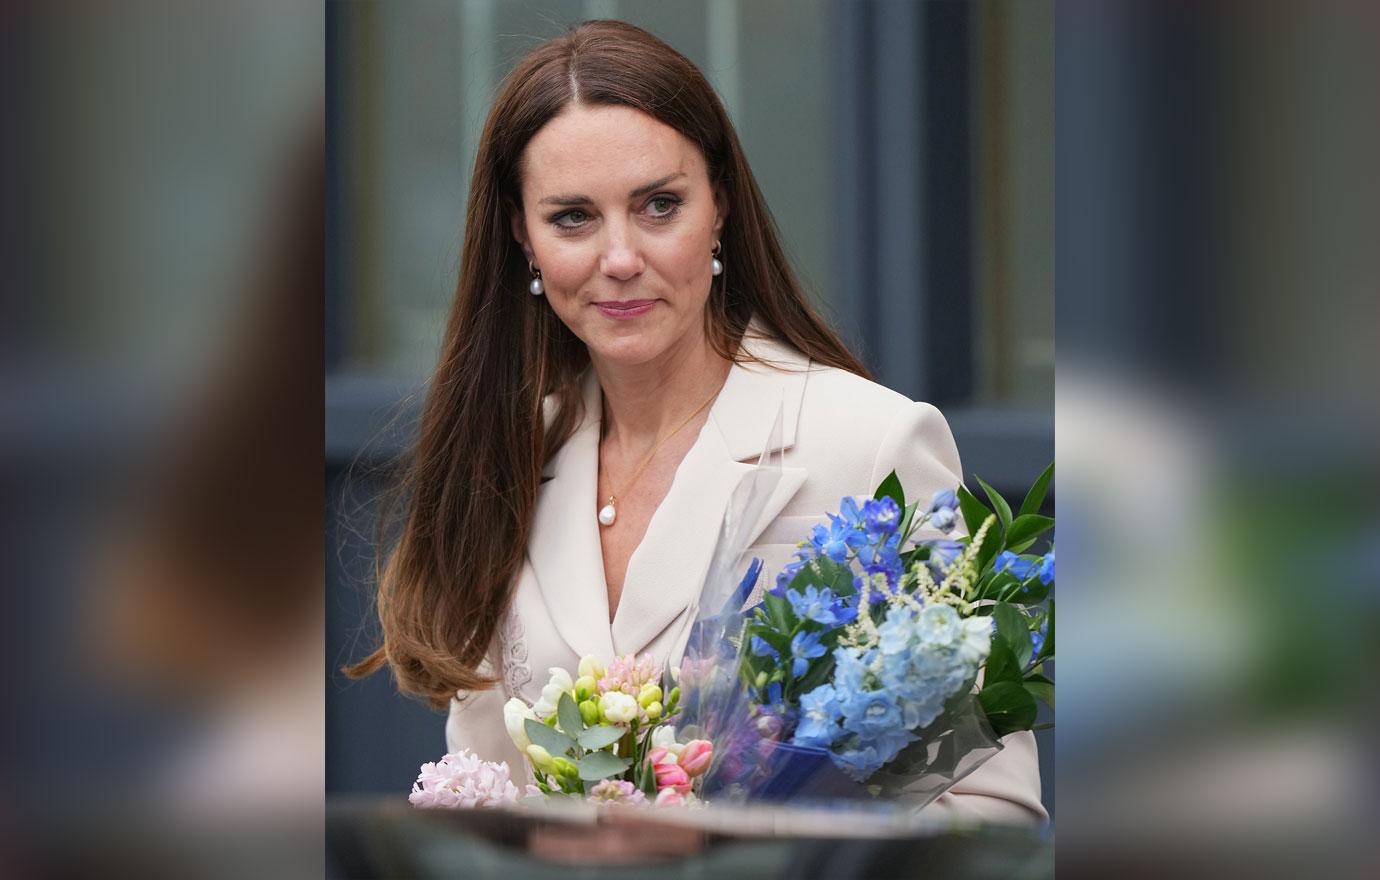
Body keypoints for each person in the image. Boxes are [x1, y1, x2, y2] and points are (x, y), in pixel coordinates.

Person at [346, 19, 1044, 825]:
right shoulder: (509, 451)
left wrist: (769, 849)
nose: (620, 257)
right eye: (573, 217)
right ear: (522, 237)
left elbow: (996, 814)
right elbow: (484, 791)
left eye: (659, 206)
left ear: (720, 206)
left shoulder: (873, 441)